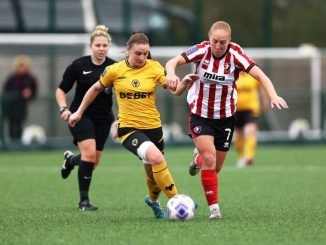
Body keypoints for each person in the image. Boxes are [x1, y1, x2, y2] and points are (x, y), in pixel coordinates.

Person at [165, 21, 288, 219]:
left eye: (223, 42)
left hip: (226, 117)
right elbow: (172, 62)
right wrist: (171, 74)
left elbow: (260, 76)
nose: (218, 46)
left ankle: (198, 159)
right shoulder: (201, 50)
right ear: (209, 38)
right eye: (215, 41)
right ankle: (214, 210)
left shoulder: (236, 55)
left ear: (229, 41)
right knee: (210, 159)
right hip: (201, 115)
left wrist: (273, 96)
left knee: (216, 166)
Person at [68, 32, 181, 219]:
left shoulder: (154, 67)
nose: (142, 57)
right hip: (129, 129)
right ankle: (176, 200)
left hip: (154, 128)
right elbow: (95, 88)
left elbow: (175, 91)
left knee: (153, 176)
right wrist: (79, 112)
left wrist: (182, 83)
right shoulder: (115, 70)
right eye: (138, 53)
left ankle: (152, 201)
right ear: (128, 50)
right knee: (157, 158)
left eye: (146, 53)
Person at [55, 25, 116, 211]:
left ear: (109, 46)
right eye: (98, 45)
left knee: (93, 162)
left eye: (105, 45)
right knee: (89, 154)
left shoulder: (115, 67)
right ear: (91, 45)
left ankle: (71, 160)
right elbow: (61, 90)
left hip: (104, 118)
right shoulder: (78, 65)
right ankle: (84, 202)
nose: (101, 48)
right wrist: (63, 109)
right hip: (80, 115)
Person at [234, 71, 269, 168]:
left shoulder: (252, 76)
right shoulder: (233, 76)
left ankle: (248, 157)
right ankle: (241, 157)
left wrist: (265, 102)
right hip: (235, 110)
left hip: (251, 109)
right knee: (238, 135)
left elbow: (262, 89)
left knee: (249, 131)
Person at [1, 55, 38, 140]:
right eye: (21, 65)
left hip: (21, 107)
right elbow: (6, 91)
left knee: (19, 124)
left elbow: (34, 92)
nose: (23, 68)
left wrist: (29, 94)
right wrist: (20, 94)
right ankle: (12, 143)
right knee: (11, 125)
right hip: (11, 106)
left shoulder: (30, 78)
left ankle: (18, 143)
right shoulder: (12, 78)